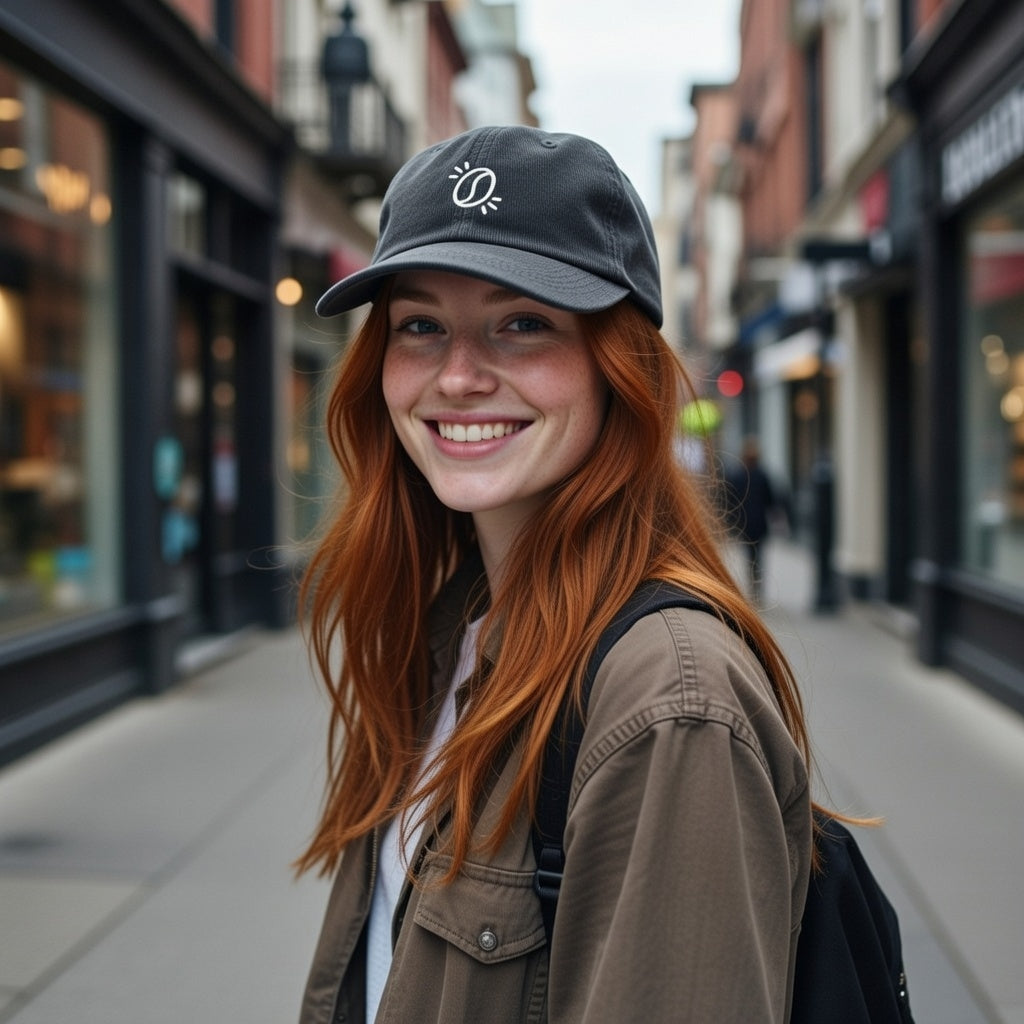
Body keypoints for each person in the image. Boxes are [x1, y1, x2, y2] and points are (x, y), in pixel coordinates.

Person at [295, 125, 814, 1023]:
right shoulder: (447, 627)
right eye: (420, 325)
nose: (457, 376)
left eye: (523, 322)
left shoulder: (667, 702)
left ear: (620, 369)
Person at [722, 436, 787, 603]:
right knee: (758, 556)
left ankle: (753, 585)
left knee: (750, 555)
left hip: (745, 524)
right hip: (759, 523)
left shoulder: (738, 476)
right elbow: (771, 500)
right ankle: (756, 586)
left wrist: (730, 521)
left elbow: (731, 501)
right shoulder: (762, 476)